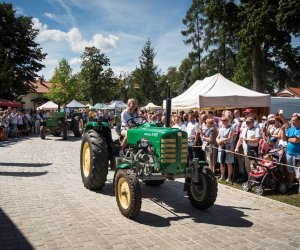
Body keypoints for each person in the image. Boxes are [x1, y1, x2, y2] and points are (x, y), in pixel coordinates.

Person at [281, 113, 300, 189]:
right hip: (289, 153)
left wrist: (289, 139)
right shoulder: (291, 128)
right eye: (292, 120)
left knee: (298, 172)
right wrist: (282, 130)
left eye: (294, 121)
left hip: (298, 154)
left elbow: (296, 140)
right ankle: (290, 183)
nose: (292, 122)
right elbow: (284, 139)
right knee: (291, 170)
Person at [216, 117, 235, 182]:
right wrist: (218, 141)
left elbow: (230, 138)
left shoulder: (231, 128)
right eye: (223, 121)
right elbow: (217, 137)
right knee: (221, 162)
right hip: (221, 146)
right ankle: (222, 176)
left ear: (228, 121)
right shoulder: (221, 128)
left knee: (229, 162)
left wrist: (221, 141)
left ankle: (229, 177)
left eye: (225, 121)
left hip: (228, 147)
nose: (224, 122)